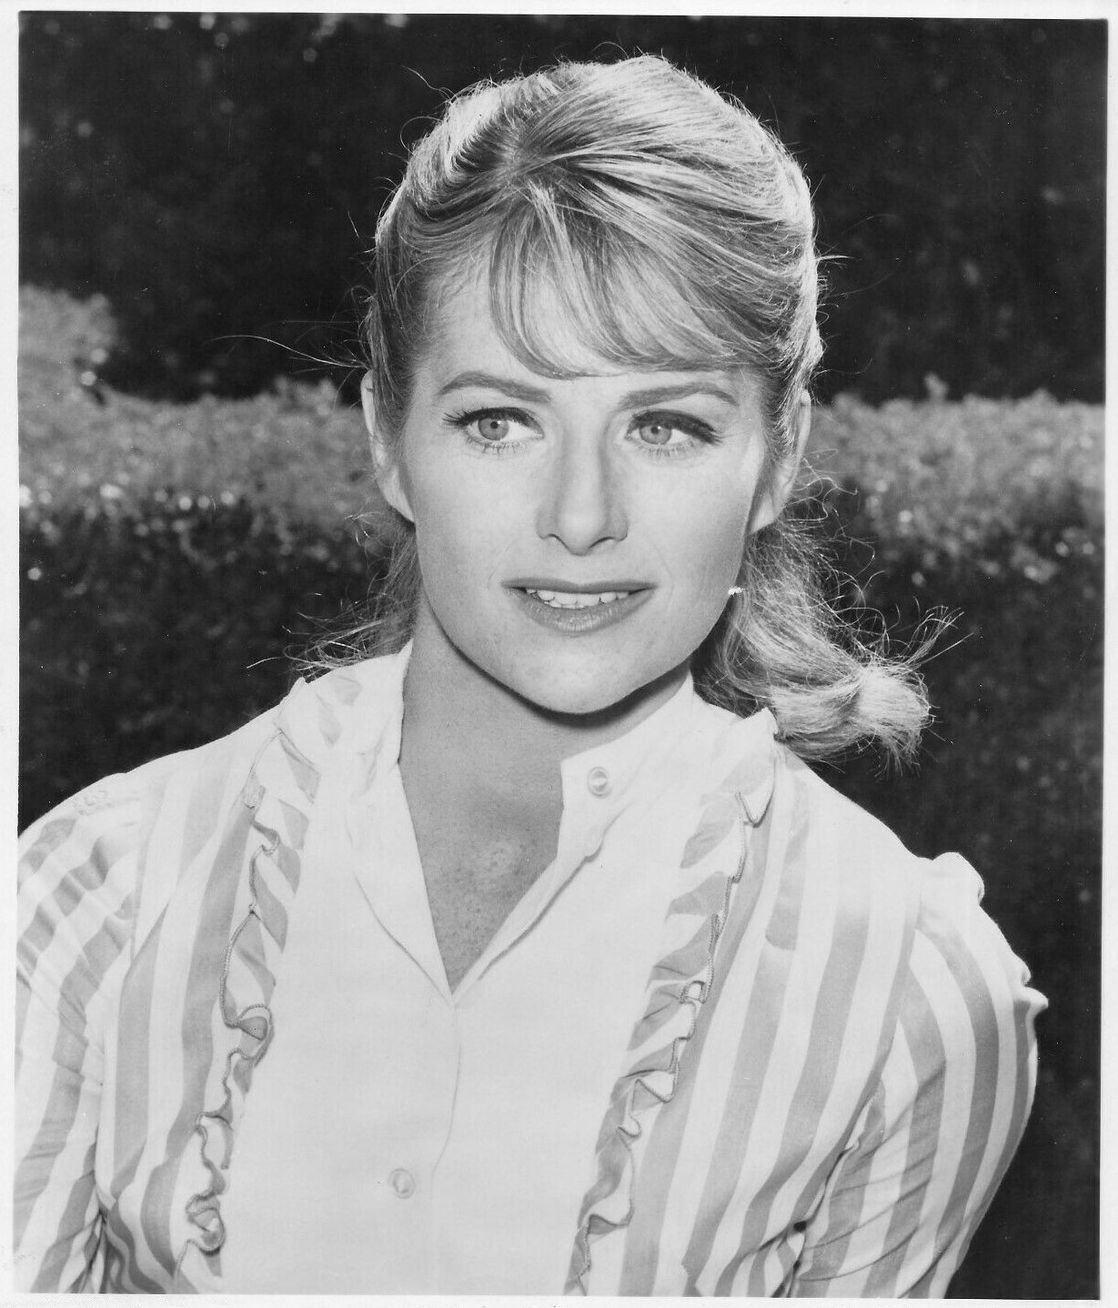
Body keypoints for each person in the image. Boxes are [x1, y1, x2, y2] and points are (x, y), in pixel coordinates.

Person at [15, 55, 1044, 1296]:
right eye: (498, 420)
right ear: (387, 437)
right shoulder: (94, 897)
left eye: (665, 425)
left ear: (776, 460)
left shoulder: (913, 1001)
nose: (579, 515)